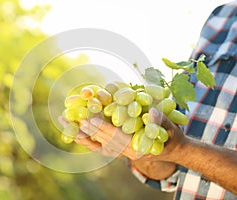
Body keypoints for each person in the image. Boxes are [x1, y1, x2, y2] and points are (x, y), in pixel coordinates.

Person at [65, 1, 237, 199]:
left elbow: (181, 150)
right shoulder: (221, 18)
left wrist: (182, 150)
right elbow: (170, 173)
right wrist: (139, 151)